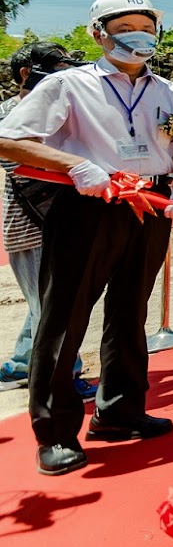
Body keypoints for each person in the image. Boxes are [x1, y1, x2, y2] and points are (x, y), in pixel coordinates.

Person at [0, 0, 173, 476]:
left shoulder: (168, 92)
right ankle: (55, 432)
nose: (139, 35)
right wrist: (75, 165)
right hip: (89, 204)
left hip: (149, 205)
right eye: (125, 25)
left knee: (131, 310)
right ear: (98, 33)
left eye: (147, 26)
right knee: (65, 317)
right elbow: (9, 139)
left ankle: (120, 410)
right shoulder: (67, 86)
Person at [0, 43, 94, 400]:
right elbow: (19, 165)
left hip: (63, 221)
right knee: (55, 308)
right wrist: (79, 163)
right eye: (59, 66)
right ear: (27, 73)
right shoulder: (10, 114)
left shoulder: (61, 111)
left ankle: (22, 364)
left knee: (47, 301)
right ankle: (60, 380)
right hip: (32, 225)